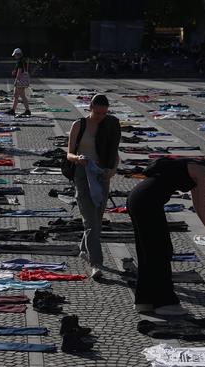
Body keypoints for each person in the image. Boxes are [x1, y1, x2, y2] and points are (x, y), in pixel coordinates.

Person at [126, 147, 205, 316]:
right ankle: (164, 303)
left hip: (139, 198)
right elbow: (203, 210)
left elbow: (198, 209)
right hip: (146, 202)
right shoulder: (203, 174)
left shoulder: (197, 166)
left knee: (148, 251)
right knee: (161, 251)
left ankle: (145, 300)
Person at [65, 94, 120, 280]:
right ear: (90, 107)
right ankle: (97, 264)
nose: (100, 116)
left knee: (96, 218)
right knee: (90, 221)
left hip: (102, 175)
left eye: (104, 113)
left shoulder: (110, 124)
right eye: (97, 112)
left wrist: (113, 170)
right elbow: (69, 154)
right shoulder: (78, 125)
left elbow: (114, 152)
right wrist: (78, 159)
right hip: (82, 174)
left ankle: (83, 249)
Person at [7, 48, 30, 116]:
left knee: (22, 96)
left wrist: (16, 80)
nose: (14, 56)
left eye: (15, 55)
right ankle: (13, 110)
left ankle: (27, 110)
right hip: (22, 80)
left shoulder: (20, 61)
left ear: (18, 54)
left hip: (20, 81)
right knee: (16, 95)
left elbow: (19, 72)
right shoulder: (23, 60)